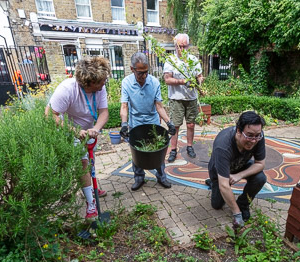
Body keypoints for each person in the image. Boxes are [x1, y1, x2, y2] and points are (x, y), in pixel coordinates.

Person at [45, 56, 110, 219]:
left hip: (89, 131)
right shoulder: (67, 89)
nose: (104, 83)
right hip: (69, 131)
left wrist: (95, 129)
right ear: (89, 83)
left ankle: (91, 188)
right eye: (101, 81)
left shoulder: (100, 88)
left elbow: (104, 112)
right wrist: (74, 130)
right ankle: (90, 204)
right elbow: (50, 114)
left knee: (90, 161)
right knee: (82, 164)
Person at [120, 52, 176, 191]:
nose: (144, 76)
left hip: (152, 122)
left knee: (157, 151)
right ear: (132, 69)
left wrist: (169, 123)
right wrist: (124, 124)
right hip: (136, 123)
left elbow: (159, 106)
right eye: (140, 73)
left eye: (146, 72)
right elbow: (124, 106)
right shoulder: (126, 83)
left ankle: (162, 177)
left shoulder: (154, 82)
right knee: (137, 152)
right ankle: (139, 178)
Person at [206, 111, 267, 229]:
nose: (253, 140)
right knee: (217, 205)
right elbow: (224, 185)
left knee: (260, 178)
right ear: (239, 131)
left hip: (241, 165)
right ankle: (213, 182)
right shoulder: (223, 146)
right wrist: (237, 215)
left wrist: (239, 175)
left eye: (257, 136)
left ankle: (243, 204)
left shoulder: (258, 137)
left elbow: (260, 164)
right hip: (219, 169)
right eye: (249, 135)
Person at [163, 33, 204, 163]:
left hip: (191, 98)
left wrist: (199, 82)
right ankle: (173, 150)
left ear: (188, 46)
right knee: (175, 126)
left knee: (191, 124)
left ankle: (190, 147)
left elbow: (200, 76)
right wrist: (183, 81)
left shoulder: (193, 60)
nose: (181, 49)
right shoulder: (171, 61)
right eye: (179, 46)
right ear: (175, 46)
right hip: (176, 98)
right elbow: (167, 79)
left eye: (184, 46)